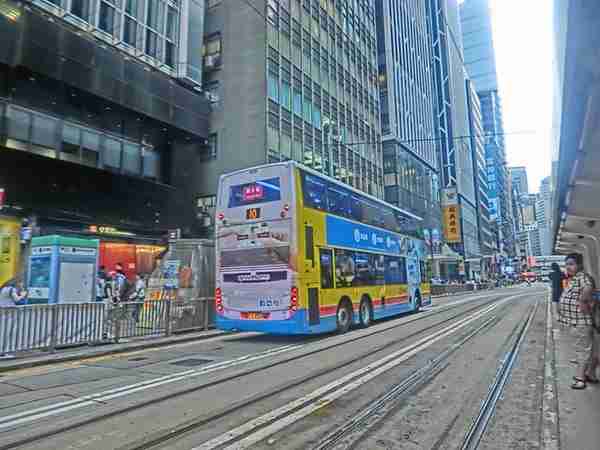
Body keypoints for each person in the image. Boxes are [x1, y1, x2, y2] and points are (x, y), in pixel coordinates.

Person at [557, 253, 597, 389]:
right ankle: (591, 374)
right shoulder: (574, 278)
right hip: (574, 322)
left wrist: (582, 300)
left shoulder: (583, 277)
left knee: (583, 351)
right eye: (567, 264)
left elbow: (587, 287)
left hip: (582, 321)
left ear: (579, 265)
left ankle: (580, 379)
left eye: (571, 264)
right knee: (587, 350)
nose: (568, 267)